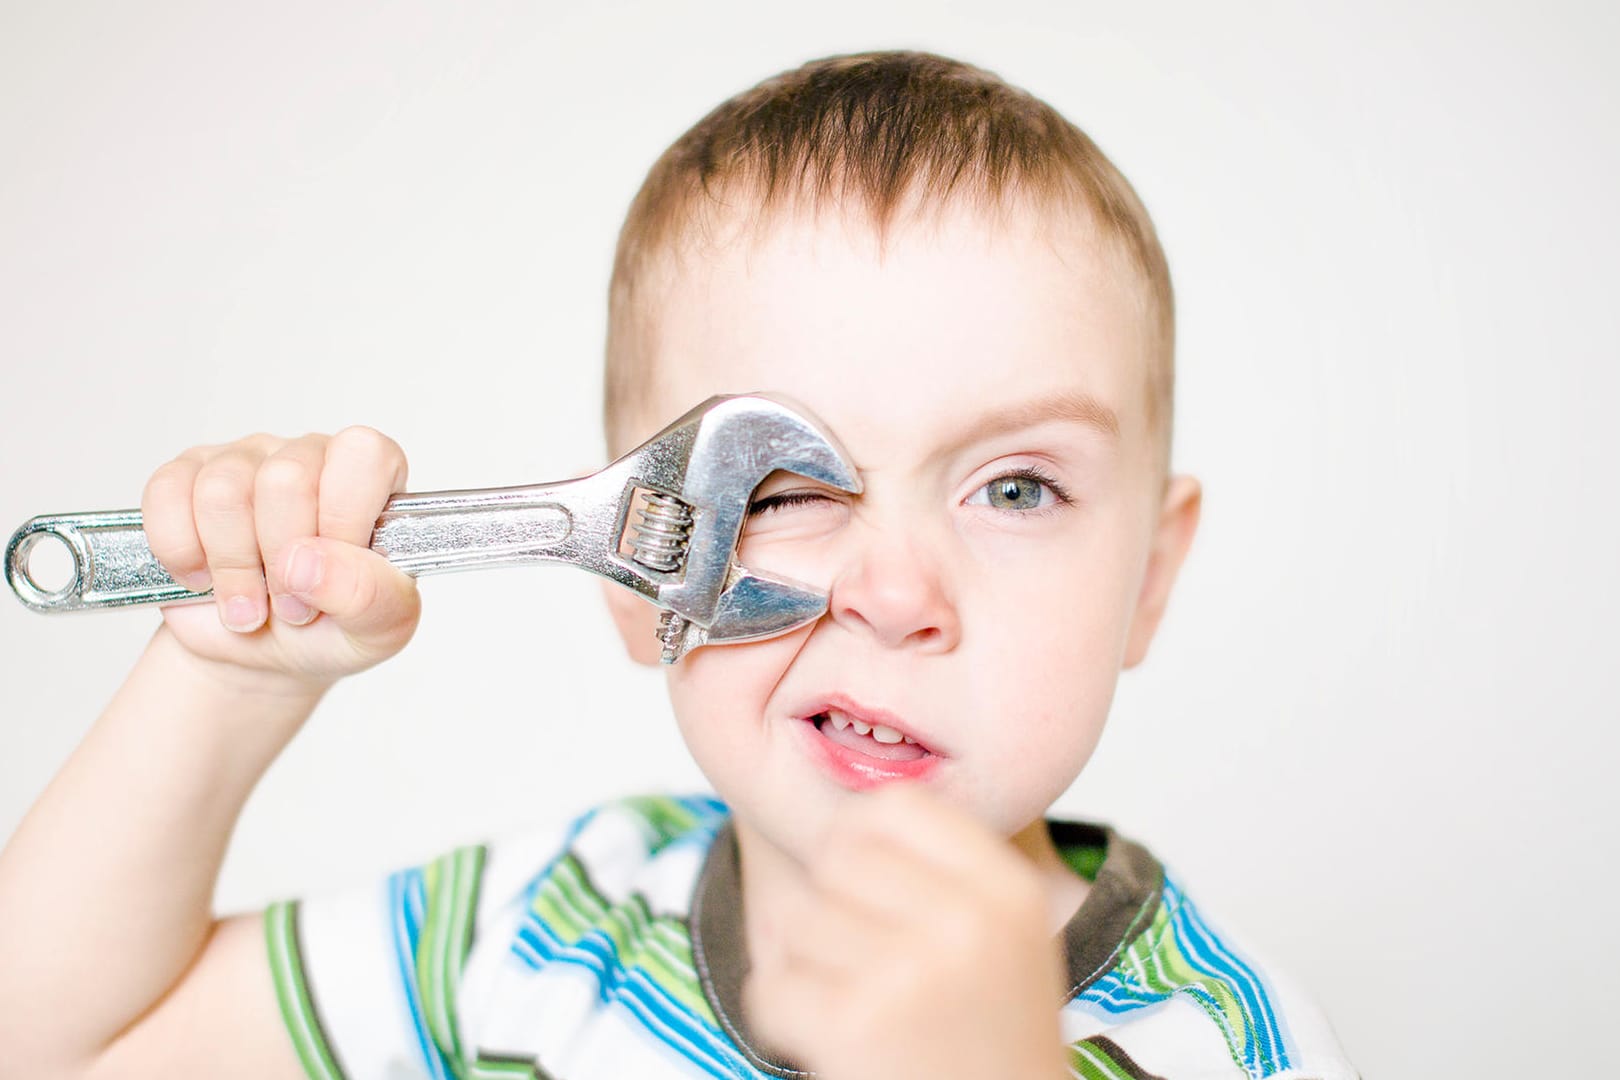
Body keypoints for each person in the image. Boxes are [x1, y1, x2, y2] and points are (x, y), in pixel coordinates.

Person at [0, 51, 1357, 1080]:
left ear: (1151, 577)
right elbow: (59, 1042)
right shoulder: (548, 933)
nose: (894, 594)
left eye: (1016, 487)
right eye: (781, 490)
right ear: (632, 569)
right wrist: (225, 680)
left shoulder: (1224, 1040)